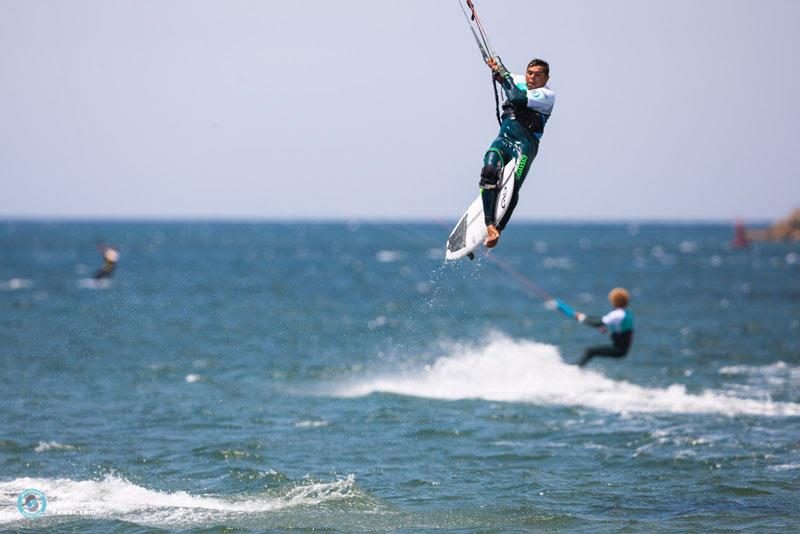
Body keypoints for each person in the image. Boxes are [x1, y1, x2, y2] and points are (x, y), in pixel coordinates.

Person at [480, 57, 555, 248]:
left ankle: (499, 229)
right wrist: (495, 66)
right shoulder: (519, 80)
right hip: (503, 138)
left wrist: (503, 75)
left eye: (538, 75)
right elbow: (504, 76)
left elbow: (515, 97)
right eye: (530, 73)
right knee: (489, 169)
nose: (532, 78)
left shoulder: (546, 95)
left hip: (525, 144)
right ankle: (490, 225)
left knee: (513, 184)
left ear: (546, 78)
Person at [561, 288, 634, 367]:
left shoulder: (617, 314)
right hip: (623, 349)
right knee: (591, 351)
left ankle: (574, 370)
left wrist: (580, 317)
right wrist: (602, 326)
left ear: (614, 301)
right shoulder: (626, 313)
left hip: (619, 350)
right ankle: (576, 369)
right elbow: (620, 328)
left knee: (590, 351)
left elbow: (598, 322)